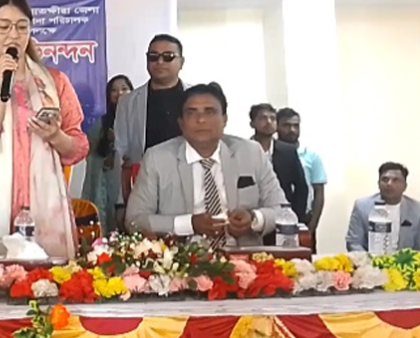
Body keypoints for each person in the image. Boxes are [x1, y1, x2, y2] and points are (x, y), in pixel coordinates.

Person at [0, 0, 89, 258]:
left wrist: (56, 136)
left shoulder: (55, 82)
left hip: (46, 207)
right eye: (3, 27)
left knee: (50, 279)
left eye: (22, 26)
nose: (13, 35)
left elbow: (79, 147)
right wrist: (2, 89)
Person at [126, 83, 287, 247]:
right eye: (191, 113)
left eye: (210, 112)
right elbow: (134, 220)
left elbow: (284, 211)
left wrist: (254, 219)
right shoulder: (157, 158)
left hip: (243, 255)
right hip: (183, 257)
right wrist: (189, 224)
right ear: (181, 123)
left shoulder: (251, 153)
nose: (201, 120)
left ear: (224, 119)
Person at [115, 35, 188, 208]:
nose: (160, 62)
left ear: (181, 62)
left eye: (168, 57)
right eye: (153, 57)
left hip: (188, 182)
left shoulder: (195, 97)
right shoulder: (128, 102)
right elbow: (121, 151)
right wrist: (121, 202)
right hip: (145, 186)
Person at [81, 75, 133, 234]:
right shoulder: (101, 122)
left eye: (124, 89)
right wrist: (107, 141)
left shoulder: (139, 118)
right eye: (114, 90)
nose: (119, 93)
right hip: (108, 182)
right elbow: (91, 153)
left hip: (133, 179)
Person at [277, 107, 327, 252]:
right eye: (286, 125)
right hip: (277, 218)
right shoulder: (270, 154)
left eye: (296, 125)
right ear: (277, 127)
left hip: (304, 219)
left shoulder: (311, 156)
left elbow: (319, 192)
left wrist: (312, 227)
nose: (292, 130)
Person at [249, 104, 308, 225]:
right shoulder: (242, 151)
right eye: (263, 118)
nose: (268, 122)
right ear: (252, 123)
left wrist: (295, 217)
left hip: (283, 217)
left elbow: (301, 187)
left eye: (272, 118)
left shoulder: (288, 151)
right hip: (251, 217)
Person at [346, 162, 420, 252]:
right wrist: (368, 260)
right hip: (368, 259)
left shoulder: (417, 210)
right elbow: (354, 243)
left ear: (405, 186)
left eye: (395, 180)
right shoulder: (362, 206)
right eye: (385, 179)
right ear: (378, 184)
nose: (389, 184)